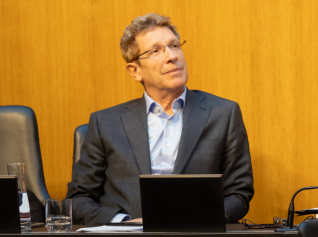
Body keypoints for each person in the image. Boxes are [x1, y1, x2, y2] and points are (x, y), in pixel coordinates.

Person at [67, 14, 254, 225]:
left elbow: (239, 194)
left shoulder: (223, 113)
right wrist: (124, 222)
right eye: (156, 50)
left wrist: (194, 221)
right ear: (135, 71)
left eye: (174, 45)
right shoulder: (106, 123)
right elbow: (79, 199)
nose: (172, 56)